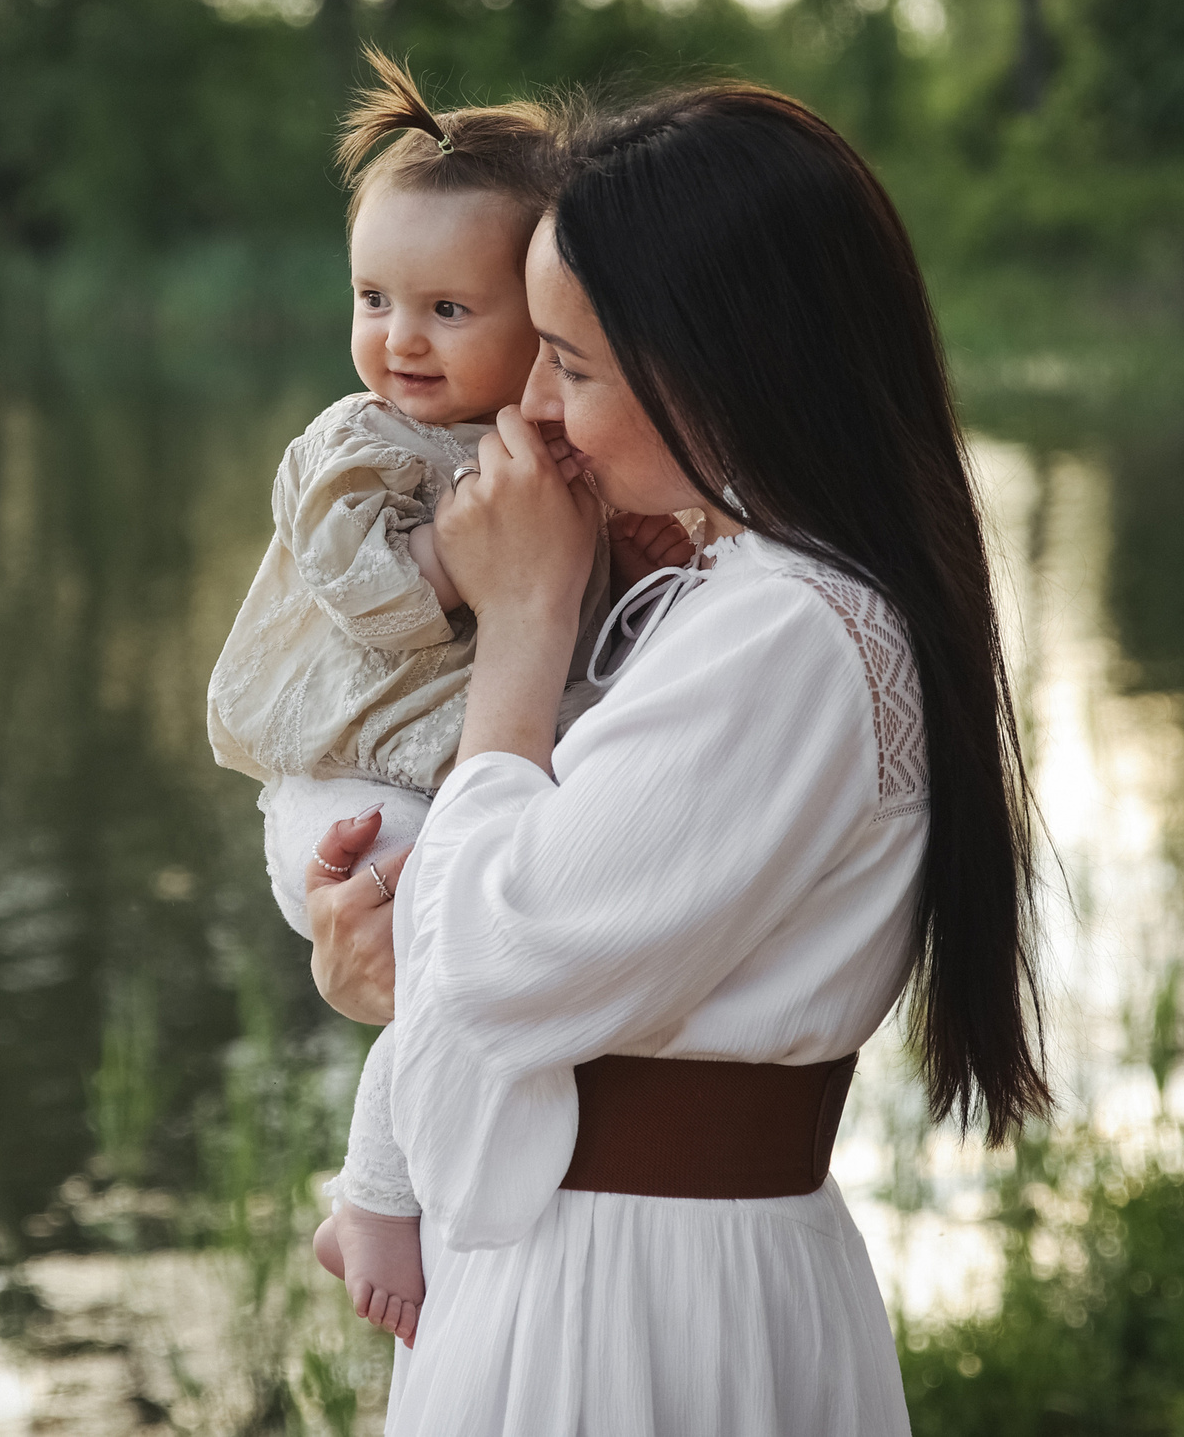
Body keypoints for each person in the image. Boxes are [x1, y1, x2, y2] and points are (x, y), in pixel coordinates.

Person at [301, 81, 1051, 1433]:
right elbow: (486, 961)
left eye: (571, 366)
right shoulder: (738, 598)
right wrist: (384, 951)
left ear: (716, 362)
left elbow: (494, 966)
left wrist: (528, 620)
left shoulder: (790, 636)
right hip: (591, 1263)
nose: (530, 404)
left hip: (629, 1307)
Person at [206, 49, 688, 1343]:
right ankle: (373, 1196)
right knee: (451, 954)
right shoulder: (361, 444)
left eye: (447, 310)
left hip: (440, 774)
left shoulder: (558, 442)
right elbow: (366, 598)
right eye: (373, 299)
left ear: (545, 316)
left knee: (475, 959)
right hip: (345, 785)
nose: (396, 340)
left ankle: (435, 1188)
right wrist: (473, 548)